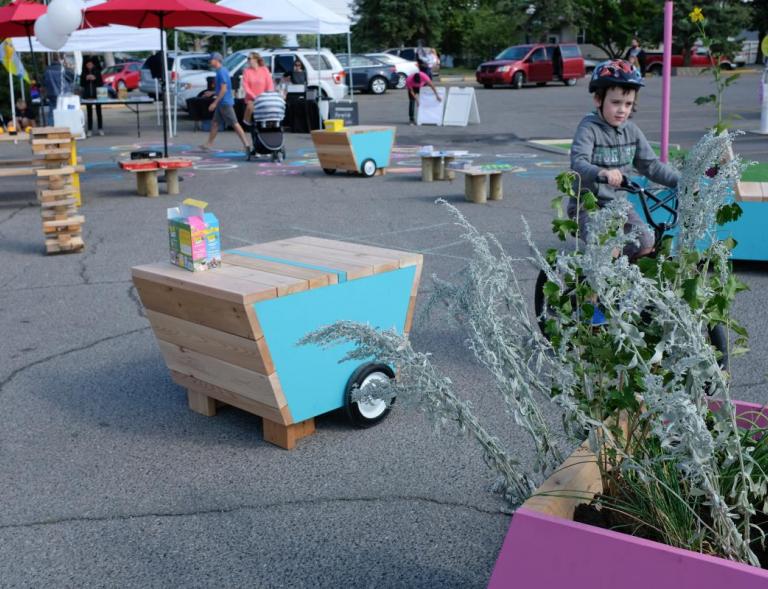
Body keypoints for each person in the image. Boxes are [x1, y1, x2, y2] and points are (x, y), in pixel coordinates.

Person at [570, 59, 680, 260]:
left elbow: (651, 165)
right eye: (615, 102)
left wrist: (682, 182)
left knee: (646, 243)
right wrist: (602, 173)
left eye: (628, 104)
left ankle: (623, 284)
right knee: (608, 246)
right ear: (598, 99)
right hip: (588, 206)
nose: (622, 110)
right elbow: (578, 162)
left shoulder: (631, 130)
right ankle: (593, 290)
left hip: (619, 206)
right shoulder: (589, 128)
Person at [199, 52, 250, 155]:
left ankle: (247, 145)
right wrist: (212, 93)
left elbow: (224, 89)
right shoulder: (221, 71)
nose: (210, 61)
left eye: (211, 60)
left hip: (225, 103)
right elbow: (222, 89)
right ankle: (209, 144)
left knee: (235, 124)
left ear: (217, 60)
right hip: (222, 103)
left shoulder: (221, 72)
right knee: (215, 123)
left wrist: (214, 102)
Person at [242, 52, 274, 127]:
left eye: (250, 58)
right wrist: (255, 97)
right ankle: (247, 122)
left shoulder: (264, 70)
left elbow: (270, 85)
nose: (248, 60)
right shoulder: (246, 71)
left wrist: (266, 96)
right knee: (250, 106)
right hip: (251, 98)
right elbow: (246, 87)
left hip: (263, 97)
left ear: (256, 59)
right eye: (248, 59)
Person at [406, 61, 441, 125]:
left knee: (426, 98)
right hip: (413, 88)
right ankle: (411, 119)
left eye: (418, 82)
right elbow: (411, 91)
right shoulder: (408, 80)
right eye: (416, 83)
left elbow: (432, 86)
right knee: (412, 101)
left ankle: (426, 117)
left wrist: (437, 95)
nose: (417, 84)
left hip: (422, 87)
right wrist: (417, 100)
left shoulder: (424, 76)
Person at [43, 53, 74, 121]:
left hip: (51, 94)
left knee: (52, 112)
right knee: (64, 112)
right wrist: (67, 66)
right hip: (63, 94)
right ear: (62, 59)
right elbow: (72, 78)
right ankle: (63, 128)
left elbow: (44, 82)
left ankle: (51, 128)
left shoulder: (47, 69)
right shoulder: (64, 69)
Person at [80, 55, 104, 137]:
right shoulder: (83, 73)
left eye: (90, 64)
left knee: (99, 112)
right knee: (89, 113)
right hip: (87, 96)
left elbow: (101, 83)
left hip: (97, 95)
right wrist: (86, 78)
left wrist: (95, 78)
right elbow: (81, 84)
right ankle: (89, 129)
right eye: (87, 64)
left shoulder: (97, 72)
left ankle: (100, 128)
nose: (89, 66)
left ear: (93, 64)